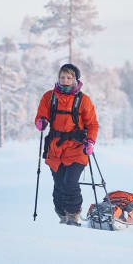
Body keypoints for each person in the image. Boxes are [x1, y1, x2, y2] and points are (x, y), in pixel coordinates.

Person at [35, 63, 98, 225]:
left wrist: (90, 141)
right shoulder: (49, 97)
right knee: (59, 185)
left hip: (77, 148)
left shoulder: (83, 100)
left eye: (69, 77)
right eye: (62, 77)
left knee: (70, 182)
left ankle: (73, 215)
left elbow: (92, 124)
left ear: (75, 79)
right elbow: (41, 115)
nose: (65, 80)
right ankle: (62, 214)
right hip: (55, 149)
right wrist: (41, 122)